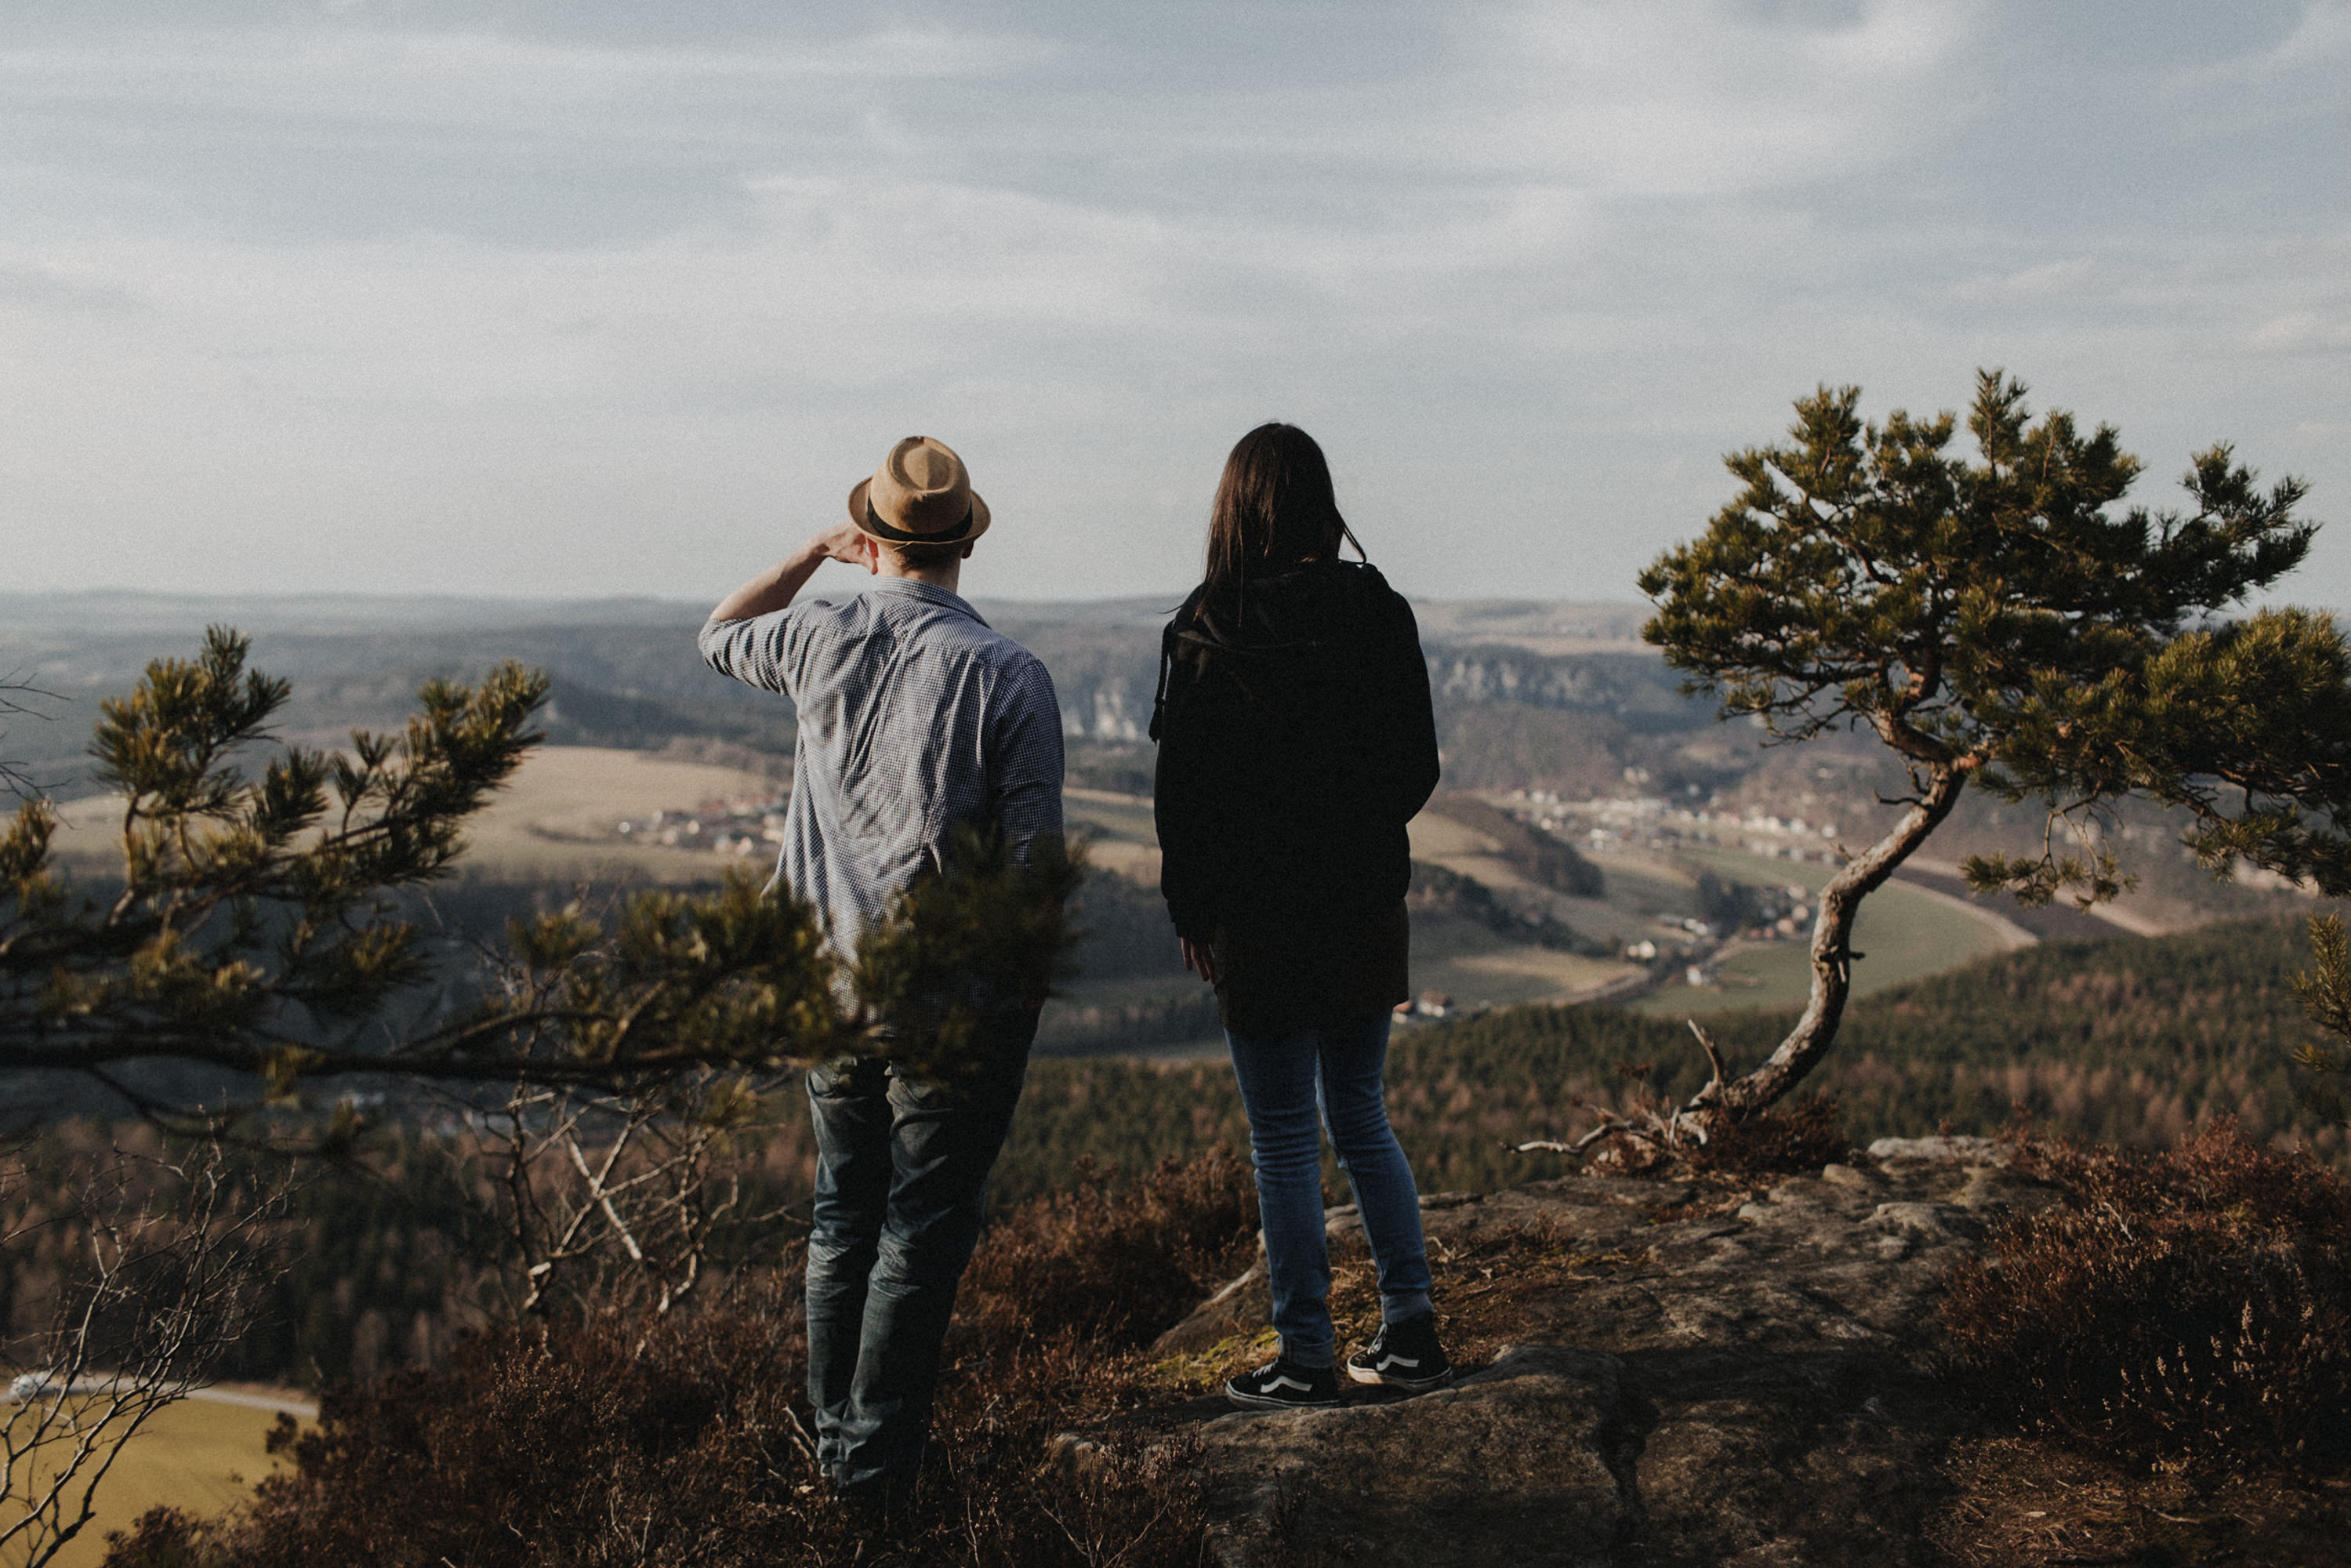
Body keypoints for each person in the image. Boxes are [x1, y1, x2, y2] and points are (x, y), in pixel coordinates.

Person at [699, 435, 1064, 1504]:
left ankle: (834, 1450)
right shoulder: (1006, 675)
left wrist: (813, 552)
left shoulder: (816, 634)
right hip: (947, 1007)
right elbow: (1032, 873)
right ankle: (872, 1475)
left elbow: (717, 632)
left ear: (874, 538)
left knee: (841, 1217)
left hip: (827, 987)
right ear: (963, 545)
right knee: (918, 1233)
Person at [1148, 422, 1453, 1410]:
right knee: (1360, 1111)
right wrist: (1352, 834)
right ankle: (1410, 1331)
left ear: (1233, 508)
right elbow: (1415, 766)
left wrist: (1196, 905)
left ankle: (1304, 1356)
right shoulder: (1376, 610)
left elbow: (1181, 795)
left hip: (1255, 917)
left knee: (1281, 1136)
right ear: (1322, 503)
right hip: (1362, 901)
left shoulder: (1206, 624)